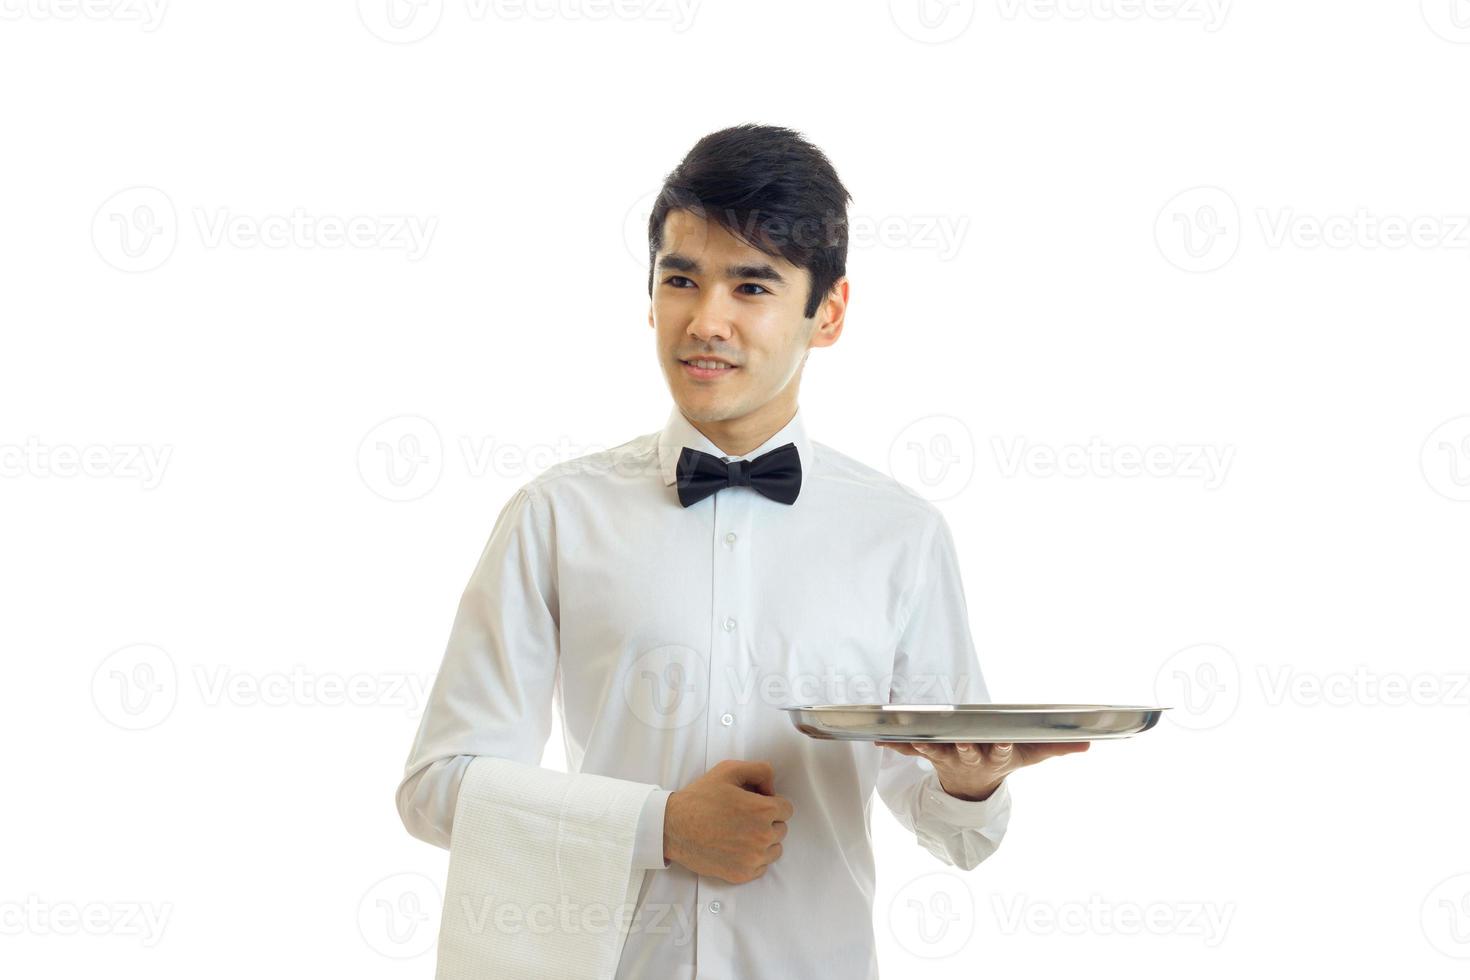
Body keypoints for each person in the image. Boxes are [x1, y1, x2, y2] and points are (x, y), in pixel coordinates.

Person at [396, 122, 1089, 979]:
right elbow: (437, 788)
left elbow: (959, 838)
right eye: (681, 279)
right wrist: (661, 827)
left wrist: (969, 785)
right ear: (650, 298)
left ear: (826, 312)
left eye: (751, 286)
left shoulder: (900, 535)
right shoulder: (555, 516)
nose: (706, 320)